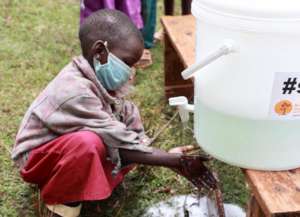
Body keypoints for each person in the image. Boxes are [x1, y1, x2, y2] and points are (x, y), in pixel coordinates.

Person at [12, 9, 216, 217]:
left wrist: (163, 156)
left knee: (122, 118)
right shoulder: (75, 91)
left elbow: (126, 137)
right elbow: (117, 141)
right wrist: (174, 161)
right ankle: (62, 206)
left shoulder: (98, 80)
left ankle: (89, 178)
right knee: (88, 144)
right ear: (100, 51)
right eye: (127, 63)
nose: (131, 73)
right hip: (38, 161)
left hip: (64, 148)